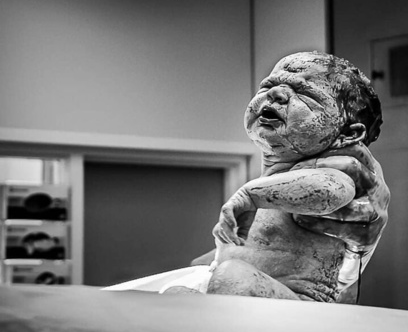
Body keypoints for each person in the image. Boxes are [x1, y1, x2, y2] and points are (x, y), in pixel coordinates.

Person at [105, 51, 390, 303]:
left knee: (234, 276)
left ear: (348, 134)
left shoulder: (334, 168)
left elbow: (330, 192)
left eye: (306, 94)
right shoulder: (275, 181)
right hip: (258, 299)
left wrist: (250, 196)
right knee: (177, 293)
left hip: (299, 301)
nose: (276, 94)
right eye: (267, 85)